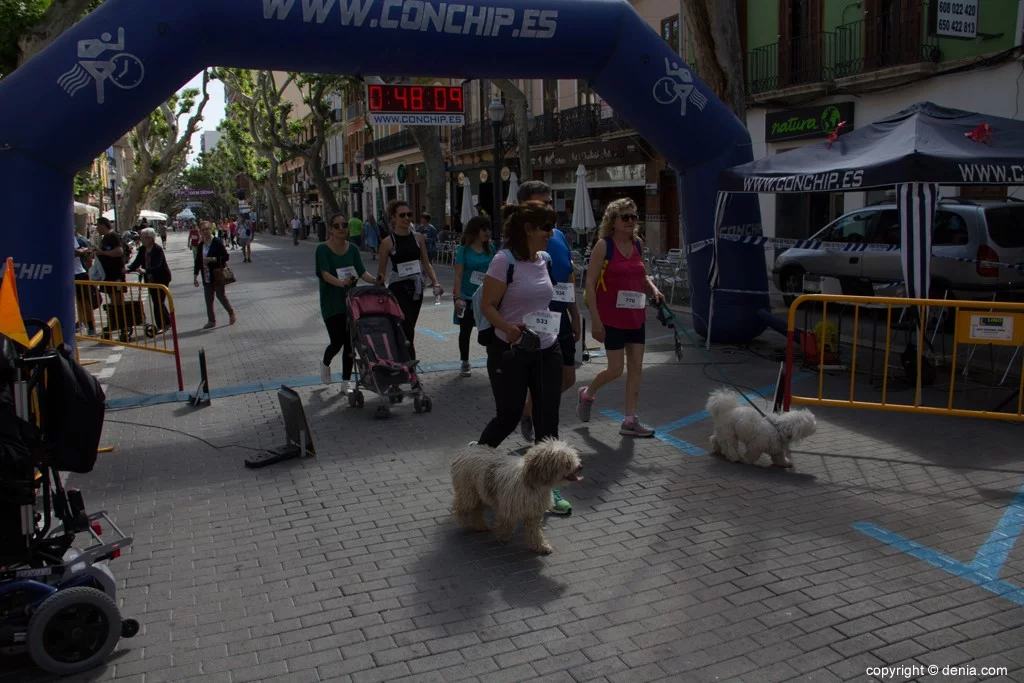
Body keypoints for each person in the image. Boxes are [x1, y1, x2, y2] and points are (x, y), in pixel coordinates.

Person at [476, 200, 572, 514]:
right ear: (528, 229)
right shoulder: (503, 261)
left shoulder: (544, 259)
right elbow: (487, 305)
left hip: (547, 348)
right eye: (546, 226)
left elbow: (548, 300)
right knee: (508, 417)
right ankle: (474, 473)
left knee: (548, 421)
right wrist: (508, 328)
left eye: (552, 226)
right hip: (511, 351)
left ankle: (547, 489)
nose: (551, 232)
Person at [578, 198, 663, 437]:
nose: (630, 221)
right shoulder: (604, 246)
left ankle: (630, 420)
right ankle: (587, 393)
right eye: (625, 217)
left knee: (636, 368)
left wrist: (654, 290)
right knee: (616, 369)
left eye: (633, 217)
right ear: (613, 220)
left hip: (636, 315)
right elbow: (591, 284)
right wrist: (595, 320)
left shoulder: (637, 243)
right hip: (611, 317)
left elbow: (642, 274)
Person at [516, 181, 581, 454]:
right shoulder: (517, 239)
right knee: (548, 382)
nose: (549, 207)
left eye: (550, 202)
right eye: (542, 203)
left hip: (561, 316)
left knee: (568, 379)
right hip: (535, 321)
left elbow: (567, 276)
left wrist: (575, 314)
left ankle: (528, 411)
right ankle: (547, 445)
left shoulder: (559, 236)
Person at [317, 212, 377, 392]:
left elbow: (362, 272)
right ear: (330, 229)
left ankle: (346, 382)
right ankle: (325, 363)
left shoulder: (352, 249)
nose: (341, 228)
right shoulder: (322, 249)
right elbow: (325, 274)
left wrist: (375, 280)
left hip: (351, 303)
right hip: (332, 304)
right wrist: (341, 283)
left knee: (350, 343)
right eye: (337, 226)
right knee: (337, 341)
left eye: (344, 225)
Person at [376, 200, 443, 360]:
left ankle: (401, 362)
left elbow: (426, 263)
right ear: (393, 217)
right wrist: (378, 287)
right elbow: (381, 273)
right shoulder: (387, 242)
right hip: (397, 289)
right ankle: (410, 369)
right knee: (407, 329)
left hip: (416, 288)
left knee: (409, 326)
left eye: (409, 214)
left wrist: (435, 282)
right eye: (402, 215)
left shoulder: (418, 238)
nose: (406, 218)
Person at [452, 216, 494, 377]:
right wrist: (457, 297)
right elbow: (458, 275)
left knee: (491, 329)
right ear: (475, 231)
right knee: (466, 330)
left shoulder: (491, 248)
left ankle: (493, 360)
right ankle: (465, 361)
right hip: (467, 297)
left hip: (487, 296)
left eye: (489, 229)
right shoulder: (464, 249)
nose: (487, 232)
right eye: (484, 229)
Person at [127, 227, 172, 332]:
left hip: (161, 278)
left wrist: (145, 270)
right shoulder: (143, 249)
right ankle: (167, 321)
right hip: (150, 279)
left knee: (158, 302)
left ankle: (163, 324)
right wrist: (128, 269)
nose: (142, 239)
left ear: (151, 238)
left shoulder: (157, 249)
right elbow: (137, 262)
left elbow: (158, 265)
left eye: (144, 237)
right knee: (156, 301)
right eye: (141, 237)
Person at [193, 221, 236, 329]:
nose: (205, 232)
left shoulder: (217, 242)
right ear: (200, 232)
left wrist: (212, 259)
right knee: (208, 298)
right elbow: (198, 261)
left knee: (220, 295)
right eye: (203, 230)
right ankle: (211, 320)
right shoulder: (201, 245)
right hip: (206, 275)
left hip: (217, 274)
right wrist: (195, 275)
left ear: (210, 229)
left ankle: (231, 312)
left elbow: (226, 257)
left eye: (207, 229)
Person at [95, 217, 126, 332]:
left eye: (98, 226)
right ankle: (115, 322)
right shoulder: (105, 238)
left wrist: (102, 252)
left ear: (103, 225)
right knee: (112, 298)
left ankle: (122, 323)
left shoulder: (113, 236)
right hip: (107, 274)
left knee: (117, 298)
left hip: (115, 273)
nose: (97, 229)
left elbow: (119, 251)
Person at [73, 226, 97, 336]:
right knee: (79, 302)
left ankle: (90, 326)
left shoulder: (71, 237)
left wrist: (82, 251)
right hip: (71, 274)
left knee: (84, 301)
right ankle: (81, 323)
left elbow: (75, 252)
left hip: (78, 273)